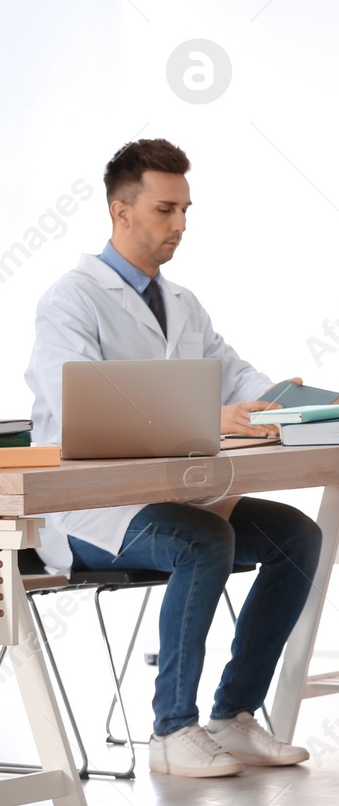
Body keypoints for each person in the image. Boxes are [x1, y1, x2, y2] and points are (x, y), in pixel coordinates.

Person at [24, 139, 320, 778]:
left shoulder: (181, 301)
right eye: (165, 210)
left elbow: (231, 371)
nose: (181, 225)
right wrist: (206, 419)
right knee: (203, 539)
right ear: (120, 211)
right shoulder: (72, 300)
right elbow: (83, 406)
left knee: (297, 535)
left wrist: (279, 403)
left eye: (186, 210)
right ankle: (171, 732)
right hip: (88, 514)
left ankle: (234, 718)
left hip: (171, 501)